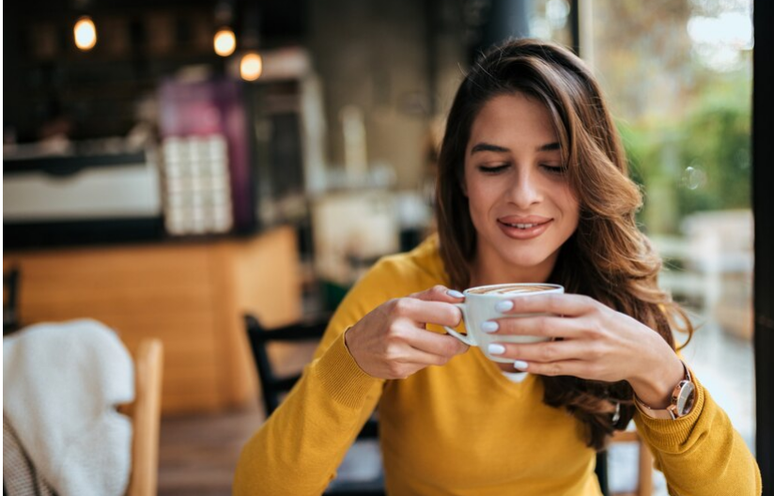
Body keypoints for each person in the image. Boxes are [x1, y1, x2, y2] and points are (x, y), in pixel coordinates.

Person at [234, 38, 761, 495]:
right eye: (493, 166)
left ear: (590, 175)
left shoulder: (607, 292)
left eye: (554, 166)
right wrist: (351, 363)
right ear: (462, 177)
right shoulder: (398, 290)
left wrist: (659, 368)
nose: (524, 195)